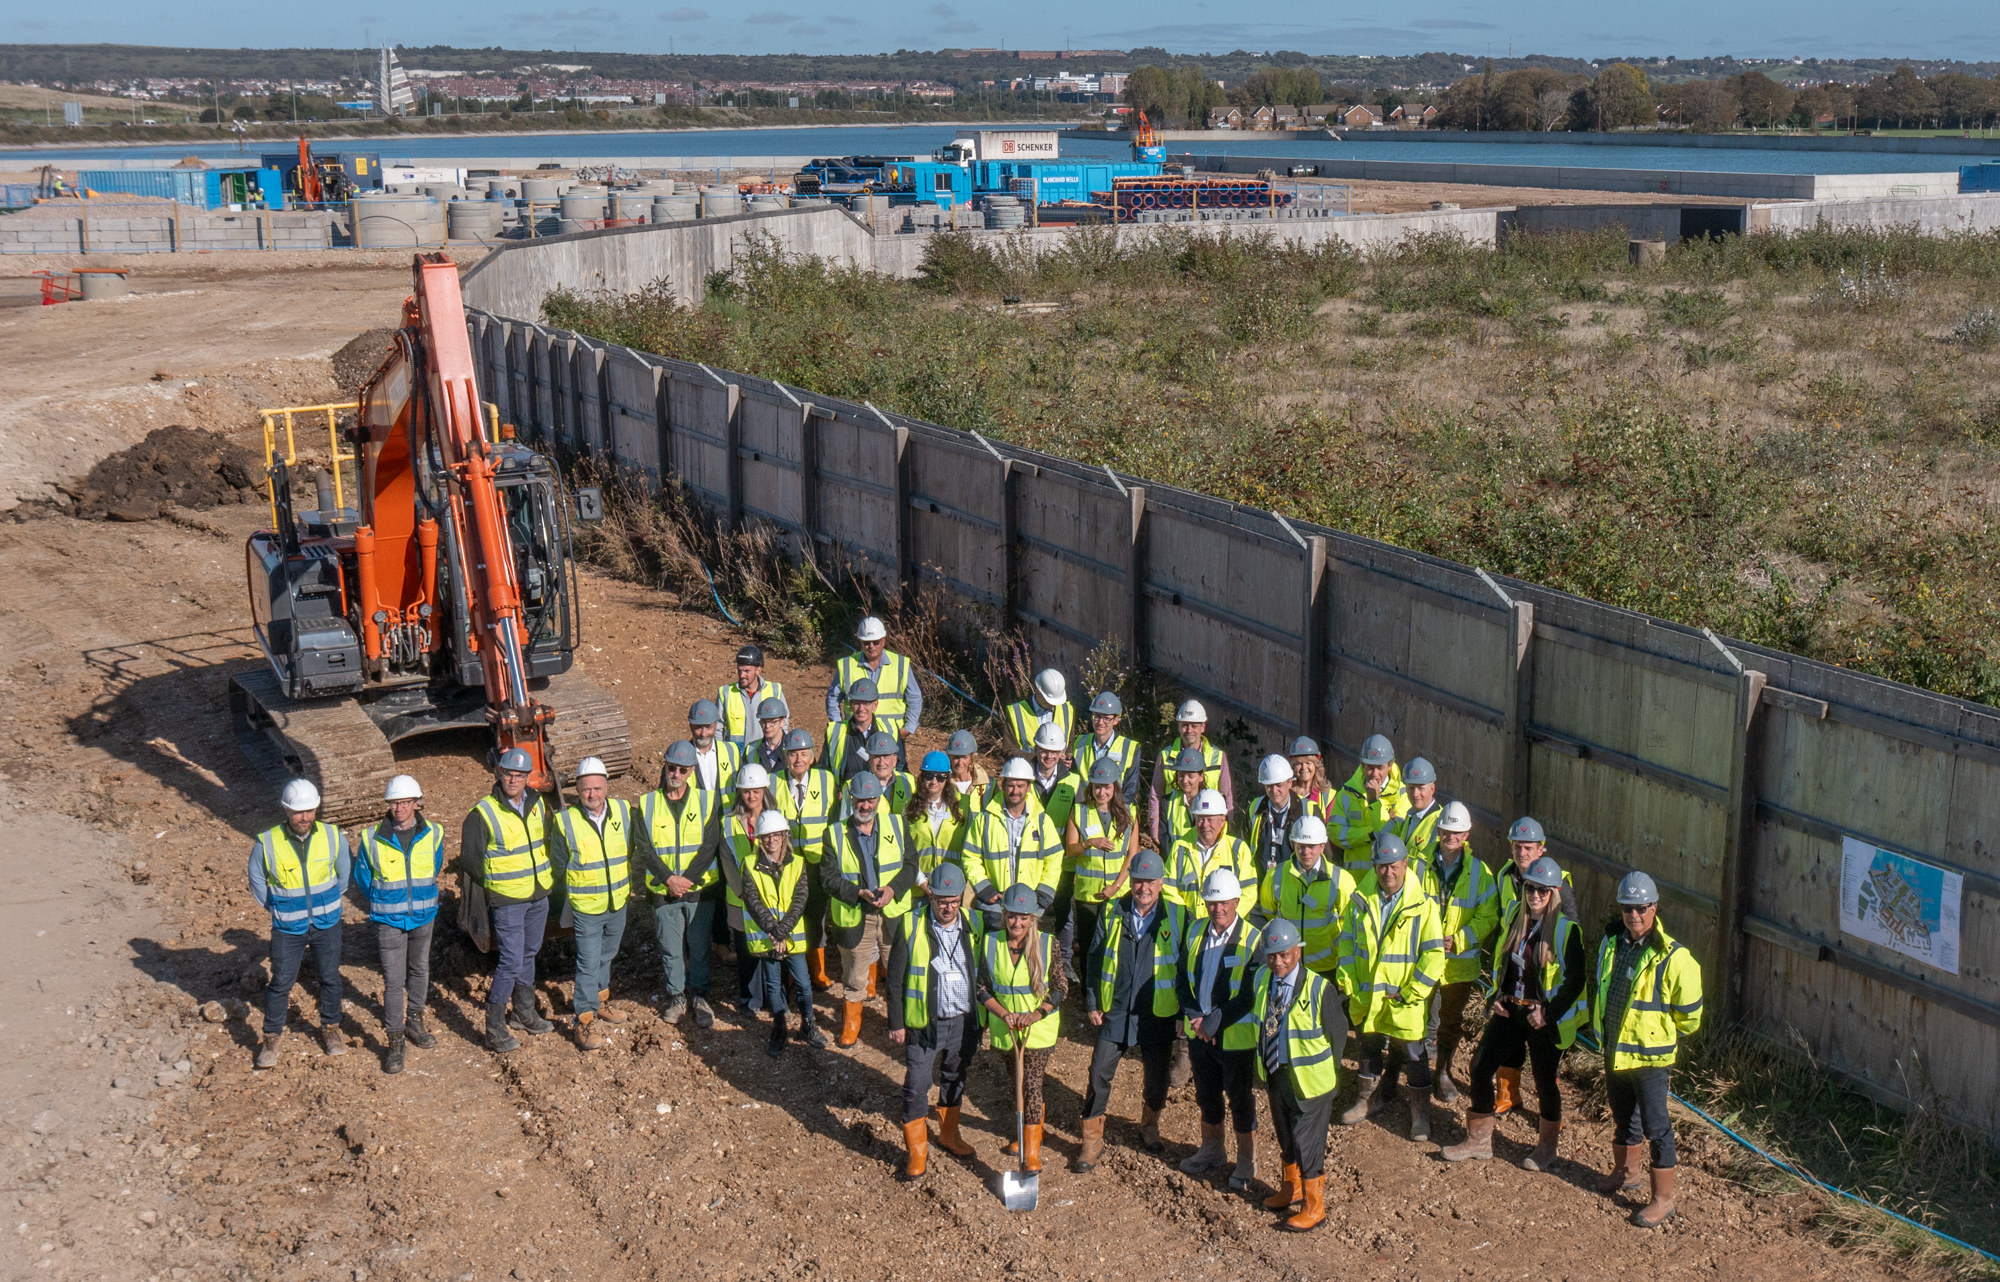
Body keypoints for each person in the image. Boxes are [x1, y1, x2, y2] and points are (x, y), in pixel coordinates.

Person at [1441, 856, 1586, 1170]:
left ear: (1554, 893)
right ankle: (1479, 1140)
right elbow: (1502, 963)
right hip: (1511, 1010)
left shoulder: (1566, 930)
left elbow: (1576, 980)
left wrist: (1548, 1013)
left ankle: (1547, 1148)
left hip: (1540, 1018)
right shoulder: (1515, 919)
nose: (1535, 895)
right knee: (1480, 1067)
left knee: (1546, 1082)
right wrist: (1495, 994)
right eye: (1530, 888)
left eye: (1542, 891)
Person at [1591, 871, 1704, 1229]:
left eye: (1640, 908)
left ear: (1654, 908)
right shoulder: (1613, 944)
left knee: (1657, 1127)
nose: (1633, 915)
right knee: (1624, 1117)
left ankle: (1662, 1199)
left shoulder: (1674, 957)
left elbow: (1689, 1018)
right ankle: (1626, 1173)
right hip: (1616, 1051)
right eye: (1627, 908)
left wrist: (1657, 1033)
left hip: (1651, 1058)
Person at [1076, 849, 1182, 1170]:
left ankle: (1149, 1125)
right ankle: (1091, 1142)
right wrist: (1093, 1001)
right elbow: (1093, 957)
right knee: (1098, 1074)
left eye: (1150, 882)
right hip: (1116, 1011)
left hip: (1157, 1014)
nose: (1143, 888)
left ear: (1161, 883)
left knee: (1157, 1079)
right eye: (1138, 881)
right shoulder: (1111, 911)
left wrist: (1182, 1014)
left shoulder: (1177, 916)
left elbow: (1188, 967)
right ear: (1130, 881)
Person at [1337, 832, 1445, 1141]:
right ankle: (1368, 1099)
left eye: (1394, 866)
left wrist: (1413, 993)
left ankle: (1420, 1114)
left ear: (1405, 864)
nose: (1388, 872)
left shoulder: (1422, 905)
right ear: (1374, 866)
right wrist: (1350, 982)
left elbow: (1434, 955)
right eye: (1381, 866)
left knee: (1414, 1052)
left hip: (1405, 997)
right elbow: (1346, 944)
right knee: (1368, 1045)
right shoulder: (1360, 899)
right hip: (1368, 993)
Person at [1250, 918, 1348, 1232]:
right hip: (1277, 1074)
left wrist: (1330, 1074)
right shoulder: (1263, 980)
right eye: (1271, 955)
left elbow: (1338, 1032)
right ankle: (1290, 1190)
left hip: (1311, 1083)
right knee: (1285, 1137)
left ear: (1298, 951)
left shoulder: (1320, 988)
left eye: (1284, 955)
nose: (1277, 962)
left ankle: (1313, 1206)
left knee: (1308, 1144)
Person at [885, 862, 981, 1179]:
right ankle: (917, 1152)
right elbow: (895, 979)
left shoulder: (974, 924)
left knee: (955, 1077)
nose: (948, 907)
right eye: (942, 900)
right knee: (917, 1085)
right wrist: (896, 1022)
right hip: (924, 1024)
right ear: (931, 897)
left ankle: (949, 1135)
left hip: (962, 1022)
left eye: (954, 900)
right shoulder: (910, 924)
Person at [459, 748, 556, 1053]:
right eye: (508, 774)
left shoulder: (538, 804)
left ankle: (524, 1014)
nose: (513, 780)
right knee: (511, 960)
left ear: (529, 777)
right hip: (508, 899)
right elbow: (471, 861)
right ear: (499, 773)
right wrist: (497, 889)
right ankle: (495, 1027)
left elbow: (547, 840)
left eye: (520, 775)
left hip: (538, 893)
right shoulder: (482, 813)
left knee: (529, 953)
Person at [250, 779, 352, 1067]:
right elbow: (257, 880)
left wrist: (327, 903)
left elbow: (343, 874)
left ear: (316, 808)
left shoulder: (332, 836)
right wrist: (277, 907)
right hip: (287, 928)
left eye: (309, 810)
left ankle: (330, 1029)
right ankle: (271, 1037)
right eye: (297, 812)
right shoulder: (268, 841)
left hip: (326, 923)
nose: (304, 817)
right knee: (281, 982)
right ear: (285, 810)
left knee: (330, 977)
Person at [551, 757, 645, 1052]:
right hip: (587, 906)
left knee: (608, 954)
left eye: (597, 788)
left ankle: (601, 1002)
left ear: (606, 787)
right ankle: (584, 1019)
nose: (592, 794)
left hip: (617, 901)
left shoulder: (622, 811)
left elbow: (628, 850)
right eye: (586, 789)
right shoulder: (564, 821)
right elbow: (558, 864)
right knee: (588, 963)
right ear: (577, 790)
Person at [1175, 869, 1261, 1189]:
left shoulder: (1253, 939)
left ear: (1236, 901)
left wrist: (1212, 1023)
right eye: (1211, 902)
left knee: (1239, 1098)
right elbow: (1182, 978)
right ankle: (1212, 1150)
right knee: (1206, 1094)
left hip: (1235, 1037)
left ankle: (1246, 1160)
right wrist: (1195, 1015)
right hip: (1200, 1034)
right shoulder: (1196, 930)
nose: (1217, 909)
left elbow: (1249, 995)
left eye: (1224, 902)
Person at [350, 774, 442, 1074]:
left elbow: (434, 867)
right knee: (393, 981)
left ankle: (414, 1020)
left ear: (416, 803)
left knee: (419, 969)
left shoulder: (434, 833)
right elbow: (364, 878)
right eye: (394, 803)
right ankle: (395, 1039)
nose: (399, 808)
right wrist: (385, 901)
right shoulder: (371, 838)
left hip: (423, 916)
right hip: (388, 920)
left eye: (404, 802)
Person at [823, 772, 918, 1047]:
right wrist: (858, 893)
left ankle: (903, 1023)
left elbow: (911, 865)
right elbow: (829, 879)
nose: (865, 806)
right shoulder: (834, 833)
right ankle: (852, 1024)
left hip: (893, 914)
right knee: (854, 974)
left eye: (871, 800)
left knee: (900, 971)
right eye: (860, 800)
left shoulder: (898, 825)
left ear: (878, 800)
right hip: (857, 915)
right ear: (852, 799)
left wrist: (892, 890)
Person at [977, 883, 1066, 1174]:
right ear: (1004, 915)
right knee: (1016, 1083)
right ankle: (1027, 1131)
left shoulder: (1046, 942)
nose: (1017, 923)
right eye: (1012, 916)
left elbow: (1060, 987)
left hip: (1037, 1031)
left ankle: (1031, 1152)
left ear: (1032, 919)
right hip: (1007, 1029)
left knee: (1031, 1085)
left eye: (1024, 918)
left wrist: (1037, 1014)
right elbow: (981, 987)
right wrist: (1004, 1015)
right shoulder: (991, 943)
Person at [1492, 815, 1577, 1116]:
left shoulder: (1559, 883)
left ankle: (1548, 1111)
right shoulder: (1505, 875)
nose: (1521, 853)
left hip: (1543, 980)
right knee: (1509, 1039)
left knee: (1544, 1057)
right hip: (1514, 972)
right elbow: (1499, 920)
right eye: (1517, 846)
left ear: (1542, 849)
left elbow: (1570, 934)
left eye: (1528, 847)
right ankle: (1507, 1094)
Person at [640, 739, 723, 1029]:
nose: (676, 773)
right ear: (665, 766)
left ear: (691, 771)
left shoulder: (707, 800)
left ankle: (700, 996)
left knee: (699, 947)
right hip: (664, 893)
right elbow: (643, 847)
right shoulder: (647, 803)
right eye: (671, 767)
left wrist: (686, 879)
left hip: (698, 890)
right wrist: (669, 879)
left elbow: (710, 844)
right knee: (670, 948)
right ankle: (677, 996)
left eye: (682, 769)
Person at [1422, 801, 1497, 1103]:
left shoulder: (1481, 873)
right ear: (1438, 830)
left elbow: (1489, 914)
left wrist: (1462, 938)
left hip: (1459, 966)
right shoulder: (1418, 865)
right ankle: (1418, 1071)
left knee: (1450, 1022)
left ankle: (1442, 1071)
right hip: (1424, 960)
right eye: (1446, 830)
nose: (1450, 836)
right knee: (1419, 1019)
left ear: (1467, 834)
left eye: (1457, 831)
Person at [741, 810, 827, 1055]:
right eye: (766, 836)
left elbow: (801, 898)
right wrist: (773, 930)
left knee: (803, 983)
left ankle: (808, 1024)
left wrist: (782, 932)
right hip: (768, 938)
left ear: (784, 836)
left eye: (776, 835)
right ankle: (779, 1027)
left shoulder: (798, 863)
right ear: (759, 838)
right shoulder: (749, 864)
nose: (772, 840)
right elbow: (752, 899)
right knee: (773, 984)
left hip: (790, 938)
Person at [963, 757, 1063, 935]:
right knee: (994, 955)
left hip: (1029, 907)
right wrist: (985, 889)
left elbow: (1054, 860)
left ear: (1029, 787)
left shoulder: (1041, 821)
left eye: (1020, 786)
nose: (1015, 791)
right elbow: (970, 856)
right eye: (1011, 785)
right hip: (995, 906)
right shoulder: (985, 820)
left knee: (1025, 958)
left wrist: (1041, 897)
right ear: (1002, 785)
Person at [772, 727, 838, 991]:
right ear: (785, 757)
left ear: (812, 757)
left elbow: (834, 821)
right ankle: (791, 971)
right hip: (787, 865)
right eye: (792, 754)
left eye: (803, 754)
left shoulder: (827, 781)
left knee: (816, 916)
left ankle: (817, 970)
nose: (798, 760)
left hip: (816, 862)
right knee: (790, 915)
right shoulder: (773, 781)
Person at [1064, 756, 1139, 977]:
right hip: (1088, 894)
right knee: (1089, 947)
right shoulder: (1079, 811)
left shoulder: (1130, 813)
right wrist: (1089, 843)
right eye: (1097, 787)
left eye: (1106, 787)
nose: (1101, 792)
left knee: (1116, 945)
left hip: (1119, 894)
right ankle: (1090, 997)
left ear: (1114, 787)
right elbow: (1070, 850)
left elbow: (1132, 854)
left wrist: (1116, 887)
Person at [1257, 815, 1355, 976]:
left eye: (1312, 846)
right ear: (1293, 844)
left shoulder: (1341, 879)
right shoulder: (1275, 875)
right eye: (1301, 846)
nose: (1306, 852)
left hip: (1328, 966)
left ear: (1323, 847)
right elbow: (1268, 913)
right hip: (1288, 965)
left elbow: (1350, 925)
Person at [720, 762, 778, 1011]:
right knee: (745, 951)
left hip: (771, 897)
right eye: (746, 791)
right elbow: (726, 860)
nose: (751, 796)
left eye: (756, 790)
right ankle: (750, 1000)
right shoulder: (729, 822)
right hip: (740, 897)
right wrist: (741, 890)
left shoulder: (776, 819)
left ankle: (774, 997)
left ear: (765, 790)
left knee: (771, 947)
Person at [825, 615, 922, 745]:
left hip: (892, 736)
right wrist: (839, 726)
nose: (871, 646)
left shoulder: (900, 664)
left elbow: (914, 698)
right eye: (866, 642)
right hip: (855, 735)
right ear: (860, 642)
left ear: (883, 641)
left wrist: (908, 729)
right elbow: (832, 698)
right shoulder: (846, 666)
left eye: (875, 642)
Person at [1166, 789, 1257, 918]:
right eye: (1200, 819)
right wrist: (1187, 919)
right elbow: (1169, 890)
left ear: (1222, 820)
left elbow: (1249, 892)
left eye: (1210, 819)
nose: (1205, 825)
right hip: (1190, 929)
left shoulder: (1238, 849)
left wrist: (1226, 920)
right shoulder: (1180, 848)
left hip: (1230, 931)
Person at [1329, 734, 1410, 875]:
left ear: (1390, 766)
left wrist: (1374, 802)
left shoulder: (1402, 794)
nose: (1374, 773)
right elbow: (1334, 833)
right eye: (1370, 768)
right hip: (1355, 882)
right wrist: (1370, 834)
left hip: (1387, 880)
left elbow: (1394, 834)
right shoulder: (1347, 793)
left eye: (1380, 768)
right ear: (1362, 765)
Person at [1148, 700, 1233, 821]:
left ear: (1202, 727)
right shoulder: (1166, 756)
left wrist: (1227, 823)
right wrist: (1155, 829)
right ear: (1178, 726)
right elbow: (1156, 795)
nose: (1189, 730)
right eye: (1185, 725)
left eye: (1194, 726)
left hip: (1207, 826)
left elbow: (1226, 795)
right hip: (1173, 825)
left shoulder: (1218, 757)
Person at [907, 751, 969, 881]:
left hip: (952, 885)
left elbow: (968, 850)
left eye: (940, 777)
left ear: (947, 778)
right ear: (922, 777)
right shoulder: (909, 807)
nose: (934, 781)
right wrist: (921, 881)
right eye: (929, 776)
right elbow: (905, 849)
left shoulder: (962, 806)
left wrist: (955, 879)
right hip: (919, 887)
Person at [1071, 691, 1141, 805]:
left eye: (1106, 718)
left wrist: (1112, 812)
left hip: (1115, 812)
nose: (1100, 722)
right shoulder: (1079, 743)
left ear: (1115, 720)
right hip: (1084, 810)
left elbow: (1130, 790)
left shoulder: (1130, 748)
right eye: (1097, 716)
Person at [1245, 754, 1305, 883]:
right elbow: (1244, 848)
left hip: (1294, 886)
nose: (1273, 790)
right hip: (1261, 886)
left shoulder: (1307, 810)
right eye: (1269, 785)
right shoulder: (1255, 808)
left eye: (1279, 785)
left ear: (1290, 782)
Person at [718, 643, 786, 749]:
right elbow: (717, 728)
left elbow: (784, 723)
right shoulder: (726, 693)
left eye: (746, 671)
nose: (741, 675)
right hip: (737, 756)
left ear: (758, 670)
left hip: (766, 754)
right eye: (739, 670)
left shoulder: (775, 691)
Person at [823, 676, 888, 781]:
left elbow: (899, 766)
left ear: (875, 705)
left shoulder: (889, 730)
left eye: (866, 703)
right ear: (850, 704)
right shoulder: (834, 732)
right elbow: (824, 770)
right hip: (847, 794)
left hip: (879, 796)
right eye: (857, 703)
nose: (861, 709)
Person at [1149, 746, 1208, 854]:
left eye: (1190, 776)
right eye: (1181, 775)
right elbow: (1164, 838)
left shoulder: (1213, 802)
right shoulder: (1167, 802)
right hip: (1176, 862)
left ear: (1201, 777)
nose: (1185, 781)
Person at [1005, 668, 1073, 757]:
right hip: (1028, 769)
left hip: (1059, 770)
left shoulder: (1067, 710)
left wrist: (1069, 756)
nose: (1054, 704)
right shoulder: (1016, 712)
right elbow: (1009, 751)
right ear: (1038, 692)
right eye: (1050, 701)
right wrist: (1039, 758)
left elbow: (1070, 742)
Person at [1390, 758, 1443, 870]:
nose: (1415, 794)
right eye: (1411, 788)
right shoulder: (1410, 816)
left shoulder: (1441, 821)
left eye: (1421, 788)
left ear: (1432, 789)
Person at [686, 699, 743, 802]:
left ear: (716, 725)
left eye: (708, 727)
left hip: (727, 817)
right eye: (698, 728)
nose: (703, 734)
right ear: (690, 726)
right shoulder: (680, 756)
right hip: (695, 818)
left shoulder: (731, 751)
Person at [857, 729, 916, 816]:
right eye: (876, 757)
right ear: (869, 760)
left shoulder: (908, 781)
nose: (881, 763)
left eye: (886, 757)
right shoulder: (857, 785)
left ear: (895, 760)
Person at [745, 694, 792, 776]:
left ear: (782, 722)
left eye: (772, 722)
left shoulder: (793, 748)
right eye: (764, 722)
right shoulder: (750, 749)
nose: (767, 726)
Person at [1287, 737, 1333, 820]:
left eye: (1308, 763)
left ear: (1316, 765)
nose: (1304, 767)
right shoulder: (1286, 792)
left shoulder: (1328, 796)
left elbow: (1332, 827)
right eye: (1298, 763)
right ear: (1292, 767)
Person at [944, 728, 989, 801]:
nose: (960, 762)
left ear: (971, 758)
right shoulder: (941, 782)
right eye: (956, 757)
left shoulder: (988, 785)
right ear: (949, 757)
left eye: (964, 757)